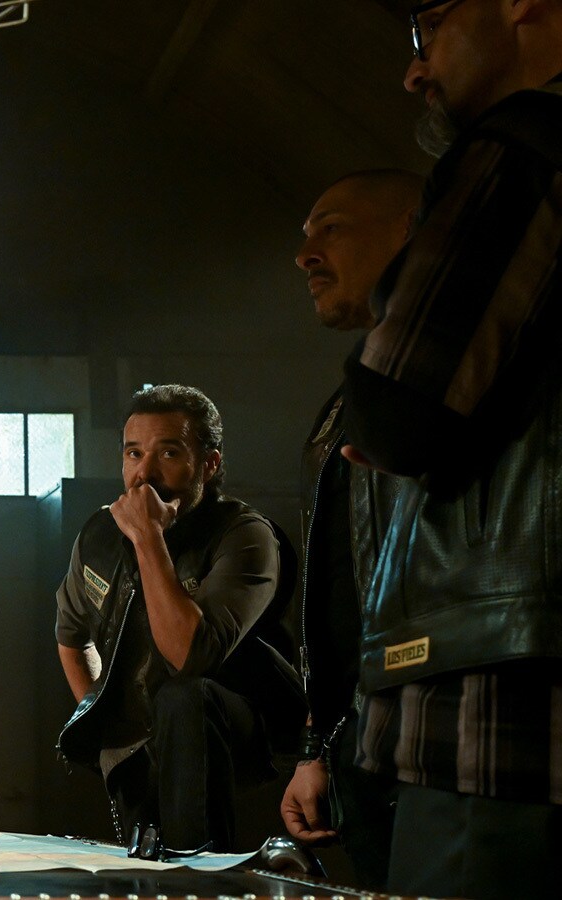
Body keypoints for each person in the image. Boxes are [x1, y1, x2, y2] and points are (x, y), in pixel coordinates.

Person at [340, 2, 562, 895]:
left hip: (506, 696)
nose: (414, 69)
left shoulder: (524, 142)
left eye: (427, 25)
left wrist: (376, 395)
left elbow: (399, 410)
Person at [55, 385, 303, 853]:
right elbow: (71, 636)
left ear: (208, 464)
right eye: (133, 453)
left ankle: (202, 872)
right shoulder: (99, 535)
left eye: (168, 453)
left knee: (182, 697)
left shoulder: (244, 535)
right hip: (141, 747)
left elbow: (190, 656)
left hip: (241, 748)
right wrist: (107, 723)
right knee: (142, 873)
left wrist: (148, 537)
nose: (145, 473)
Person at [279, 170, 420, 887]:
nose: (305, 254)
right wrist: (318, 748)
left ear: (413, 231)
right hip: (364, 735)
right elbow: (336, 590)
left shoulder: (459, 378)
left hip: (436, 729)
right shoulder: (346, 403)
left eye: (331, 229)